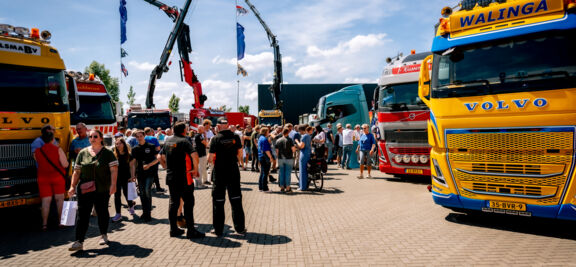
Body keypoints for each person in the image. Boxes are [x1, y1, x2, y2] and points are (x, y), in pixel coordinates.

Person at [68, 129, 118, 251]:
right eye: (90, 137)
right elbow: (76, 171)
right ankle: (79, 241)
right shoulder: (83, 153)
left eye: (95, 136)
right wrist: (72, 186)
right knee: (83, 215)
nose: (92, 138)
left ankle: (103, 235)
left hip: (102, 188)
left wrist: (113, 185)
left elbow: (114, 170)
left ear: (101, 138)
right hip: (85, 189)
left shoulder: (108, 153)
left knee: (102, 212)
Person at [160, 122, 205, 239]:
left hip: (171, 177)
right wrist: (195, 169)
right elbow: (195, 155)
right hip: (184, 177)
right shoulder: (184, 141)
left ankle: (173, 229)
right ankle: (191, 231)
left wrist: (166, 167)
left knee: (173, 203)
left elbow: (160, 156)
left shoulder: (168, 140)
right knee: (189, 203)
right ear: (184, 130)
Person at [208, 118, 246, 237]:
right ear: (228, 125)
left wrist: (213, 165)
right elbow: (240, 153)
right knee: (236, 200)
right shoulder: (235, 137)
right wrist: (237, 162)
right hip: (233, 171)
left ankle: (218, 230)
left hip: (219, 172)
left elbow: (210, 158)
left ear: (218, 126)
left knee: (218, 202)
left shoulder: (215, 138)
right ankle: (240, 228)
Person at [35, 130, 68, 231]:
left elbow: (38, 163)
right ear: (53, 139)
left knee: (45, 201)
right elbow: (65, 164)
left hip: (43, 178)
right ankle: (60, 222)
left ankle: (44, 224)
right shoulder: (58, 149)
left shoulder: (37, 151)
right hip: (57, 177)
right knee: (59, 200)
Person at [131, 130, 159, 222]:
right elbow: (133, 163)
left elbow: (157, 159)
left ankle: (148, 213)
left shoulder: (150, 146)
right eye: (137, 137)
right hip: (140, 173)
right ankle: (145, 212)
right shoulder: (135, 148)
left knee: (147, 191)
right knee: (142, 193)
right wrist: (132, 175)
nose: (139, 138)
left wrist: (149, 165)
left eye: (140, 136)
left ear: (144, 136)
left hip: (150, 173)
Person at [112, 137, 136, 221]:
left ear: (124, 144)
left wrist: (132, 176)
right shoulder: (113, 154)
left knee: (127, 194)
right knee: (116, 195)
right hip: (116, 177)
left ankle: (131, 206)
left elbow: (132, 166)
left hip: (126, 177)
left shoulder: (128, 155)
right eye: (116, 144)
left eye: (119, 143)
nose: (118, 145)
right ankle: (118, 214)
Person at [275, 127, 296, 193]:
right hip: (289, 158)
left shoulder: (278, 140)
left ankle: (282, 187)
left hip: (281, 158)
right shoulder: (290, 140)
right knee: (288, 173)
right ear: (288, 132)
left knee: (281, 173)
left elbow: (277, 151)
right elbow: (293, 150)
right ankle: (288, 188)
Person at [144, 127, 164, 193]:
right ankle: (158, 188)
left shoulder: (143, 138)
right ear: (150, 132)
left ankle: (145, 187)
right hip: (153, 158)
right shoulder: (154, 138)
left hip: (144, 159)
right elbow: (158, 148)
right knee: (155, 174)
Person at [295, 125, 312, 191]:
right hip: (308, 153)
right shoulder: (309, 136)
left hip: (304, 154)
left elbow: (301, 146)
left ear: (302, 130)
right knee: (306, 170)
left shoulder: (304, 136)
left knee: (302, 171)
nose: (299, 132)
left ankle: (302, 187)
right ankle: (305, 186)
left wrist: (297, 141)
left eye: (300, 131)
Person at [257, 127, 274, 192]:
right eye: (268, 131)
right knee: (265, 173)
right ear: (265, 132)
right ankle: (265, 188)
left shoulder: (260, 138)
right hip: (265, 157)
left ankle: (261, 187)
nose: (269, 133)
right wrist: (271, 157)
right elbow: (266, 150)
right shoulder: (264, 139)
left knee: (262, 173)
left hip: (261, 157)